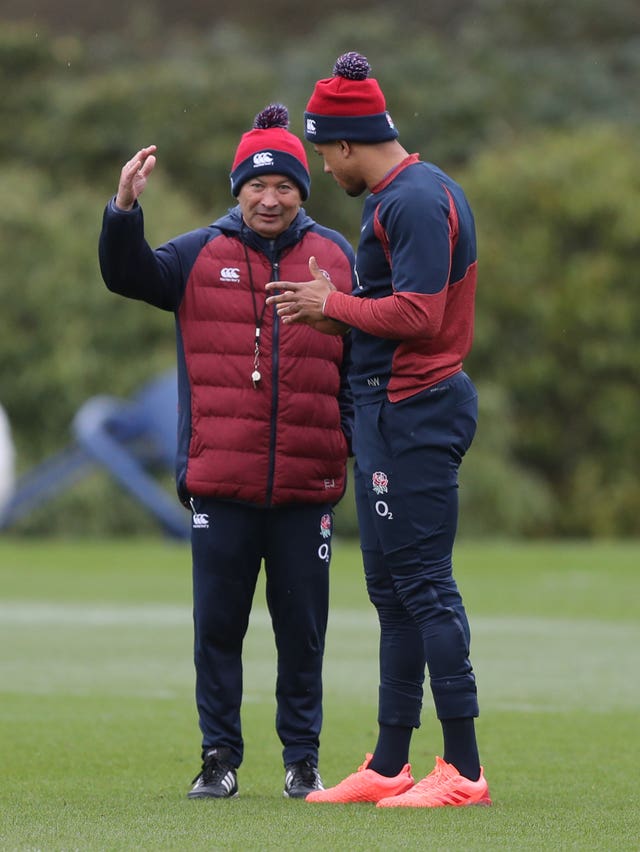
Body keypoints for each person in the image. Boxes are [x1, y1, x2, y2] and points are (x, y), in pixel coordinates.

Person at [98, 103, 356, 800]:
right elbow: (127, 277)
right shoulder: (196, 254)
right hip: (221, 484)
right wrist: (123, 209)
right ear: (237, 188)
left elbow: (362, 364)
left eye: (285, 188)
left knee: (303, 634)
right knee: (219, 630)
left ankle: (302, 762)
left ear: (303, 192)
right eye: (257, 187)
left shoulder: (336, 257)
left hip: (307, 486)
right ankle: (219, 759)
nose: (270, 200)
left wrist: (349, 445)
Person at [266, 53, 491, 808]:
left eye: (324, 153)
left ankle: (462, 771)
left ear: (346, 144)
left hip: (416, 407)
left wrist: (333, 305)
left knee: (426, 588)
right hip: (386, 411)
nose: (325, 168)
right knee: (393, 593)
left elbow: (421, 316)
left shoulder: (414, 200)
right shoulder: (394, 196)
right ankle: (393, 761)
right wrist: (339, 309)